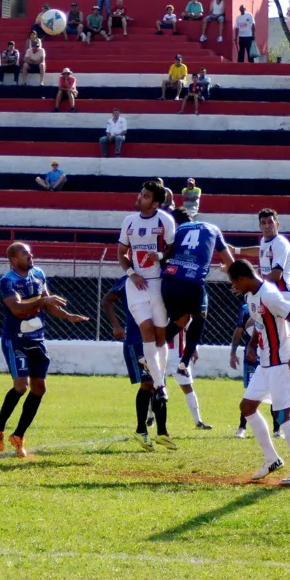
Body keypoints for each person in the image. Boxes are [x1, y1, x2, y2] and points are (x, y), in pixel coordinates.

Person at [0, 243, 89, 458]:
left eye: (29, 252)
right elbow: (16, 309)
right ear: (14, 259)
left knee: (39, 388)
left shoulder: (38, 273)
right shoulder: (7, 281)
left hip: (37, 338)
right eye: (25, 253)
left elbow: (49, 304)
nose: (30, 255)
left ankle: (19, 435)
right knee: (21, 386)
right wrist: (43, 300)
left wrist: (67, 316)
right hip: (16, 339)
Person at [228, 209, 290, 402]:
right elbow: (260, 250)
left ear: (277, 224)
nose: (267, 226)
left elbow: (276, 276)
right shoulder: (265, 242)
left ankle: (288, 373)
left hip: (285, 296)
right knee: (271, 335)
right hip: (272, 296)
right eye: (263, 223)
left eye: (270, 222)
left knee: (271, 335)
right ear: (260, 226)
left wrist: (250, 283)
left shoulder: (281, 243)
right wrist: (238, 251)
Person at [226, 260, 290, 485]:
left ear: (243, 278)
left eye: (234, 282)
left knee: (283, 416)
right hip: (266, 364)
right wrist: (253, 344)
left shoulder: (270, 295)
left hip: (281, 362)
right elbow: (261, 323)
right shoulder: (251, 296)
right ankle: (271, 459)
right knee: (247, 407)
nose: (234, 287)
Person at [118, 180, 177, 431]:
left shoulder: (165, 220)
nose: (139, 197)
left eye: (144, 196)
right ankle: (161, 386)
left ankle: (159, 380)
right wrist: (132, 273)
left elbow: (174, 249)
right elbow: (121, 253)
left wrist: (161, 256)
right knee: (146, 331)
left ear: (155, 202)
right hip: (137, 285)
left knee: (161, 334)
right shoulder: (129, 221)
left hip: (157, 283)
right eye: (140, 193)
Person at [159, 208, 235, 377]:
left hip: (169, 282)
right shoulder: (212, 228)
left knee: (180, 320)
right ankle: (184, 363)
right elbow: (230, 261)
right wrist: (234, 279)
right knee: (199, 317)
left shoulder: (176, 230)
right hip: (192, 283)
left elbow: (164, 254)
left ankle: (153, 349)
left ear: (175, 223)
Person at [102, 277, 163, 448]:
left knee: (157, 384)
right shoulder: (127, 280)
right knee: (147, 383)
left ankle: (160, 431)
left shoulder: (162, 277)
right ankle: (141, 430)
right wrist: (116, 326)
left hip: (156, 341)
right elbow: (107, 300)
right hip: (136, 341)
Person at [230, 301, 282, 439]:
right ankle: (242, 428)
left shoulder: (276, 304)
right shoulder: (245, 308)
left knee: (276, 393)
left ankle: (277, 430)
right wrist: (233, 352)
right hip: (253, 358)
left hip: (273, 359)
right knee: (251, 393)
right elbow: (239, 330)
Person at [165, 321, 212, 430]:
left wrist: (194, 349)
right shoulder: (159, 310)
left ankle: (198, 421)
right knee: (154, 386)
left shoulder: (184, 313)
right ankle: (150, 417)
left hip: (178, 356)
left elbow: (191, 332)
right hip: (160, 353)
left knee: (187, 386)